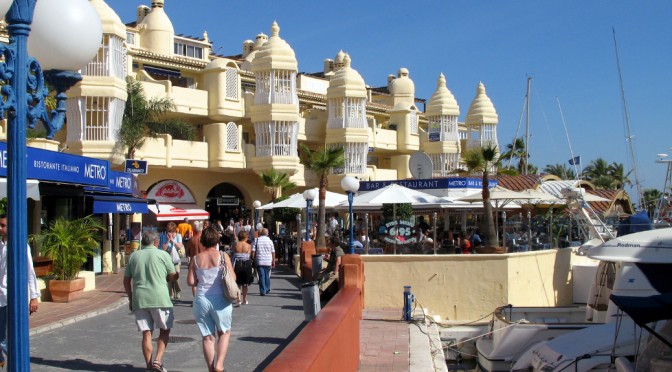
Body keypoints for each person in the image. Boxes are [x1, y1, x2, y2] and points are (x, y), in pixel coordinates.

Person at [124, 230, 179, 372]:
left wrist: (130, 297)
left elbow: (126, 280)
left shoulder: (134, 256)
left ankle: (149, 366)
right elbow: (172, 276)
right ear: (156, 241)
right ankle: (157, 361)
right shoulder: (163, 255)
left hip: (140, 298)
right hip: (160, 298)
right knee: (165, 330)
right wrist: (174, 276)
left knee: (146, 333)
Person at [187, 227, 234, 372]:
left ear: (203, 241)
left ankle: (211, 369)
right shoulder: (223, 256)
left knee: (207, 337)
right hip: (220, 298)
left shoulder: (196, 259)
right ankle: (219, 364)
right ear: (216, 240)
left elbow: (190, 282)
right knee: (224, 332)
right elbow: (233, 277)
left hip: (201, 299)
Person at [0, 214, 39, 368]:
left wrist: (34, 296)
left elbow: (30, 271)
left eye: (3, 225)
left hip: (14, 296)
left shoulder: (20, 245)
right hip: (0, 295)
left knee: (12, 335)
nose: (0, 228)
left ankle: (19, 363)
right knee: (1, 336)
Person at [162, 222, 183, 300]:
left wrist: (173, 241)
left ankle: (177, 291)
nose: (170, 233)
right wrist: (168, 241)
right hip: (168, 258)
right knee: (169, 277)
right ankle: (170, 293)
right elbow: (163, 248)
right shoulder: (164, 236)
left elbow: (180, 246)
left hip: (176, 259)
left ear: (175, 231)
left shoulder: (178, 236)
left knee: (176, 275)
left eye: (172, 231)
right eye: (169, 231)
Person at [250, 228, 275, 296]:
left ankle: (262, 290)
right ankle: (267, 288)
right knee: (267, 275)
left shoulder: (256, 240)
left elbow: (253, 251)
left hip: (259, 260)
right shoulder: (270, 241)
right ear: (266, 233)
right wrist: (273, 260)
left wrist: (252, 257)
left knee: (261, 276)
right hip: (268, 261)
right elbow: (273, 251)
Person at [232, 230, 254, 305]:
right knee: (245, 283)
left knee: (238, 283)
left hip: (237, 263)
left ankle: (238, 299)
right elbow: (249, 255)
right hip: (246, 264)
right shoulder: (248, 245)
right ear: (245, 237)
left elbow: (232, 254)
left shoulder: (235, 245)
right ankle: (245, 299)